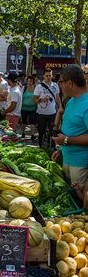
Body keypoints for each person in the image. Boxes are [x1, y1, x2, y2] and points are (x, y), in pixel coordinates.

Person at [52, 64, 88, 201]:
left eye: (61, 81)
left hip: (79, 164)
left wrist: (66, 140)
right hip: (67, 159)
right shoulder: (71, 101)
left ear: (70, 83)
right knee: (69, 200)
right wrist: (61, 149)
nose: (59, 85)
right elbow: (72, 129)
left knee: (80, 204)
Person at [34, 68, 61, 147]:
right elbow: (34, 99)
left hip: (52, 113)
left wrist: (60, 108)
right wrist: (42, 100)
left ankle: (52, 148)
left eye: (50, 75)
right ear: (43, 76)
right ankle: (40, 147)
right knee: (41, 131)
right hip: (41, 113)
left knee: (53, 132)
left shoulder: (55, 85)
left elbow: (57, 98)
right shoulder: (39, 86)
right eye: (47, 76)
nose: (49, 77)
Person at [21, 76, 37, 140]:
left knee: (33, 122)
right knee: (23, 122)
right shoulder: (24, 88)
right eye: (28, 81)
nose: (29, 82)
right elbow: (21, 97)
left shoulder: (35, 88)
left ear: (33, 82)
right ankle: (23, 133)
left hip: (33, 108)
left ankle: (32, 135)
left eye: (31, 81)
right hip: (24, 108)